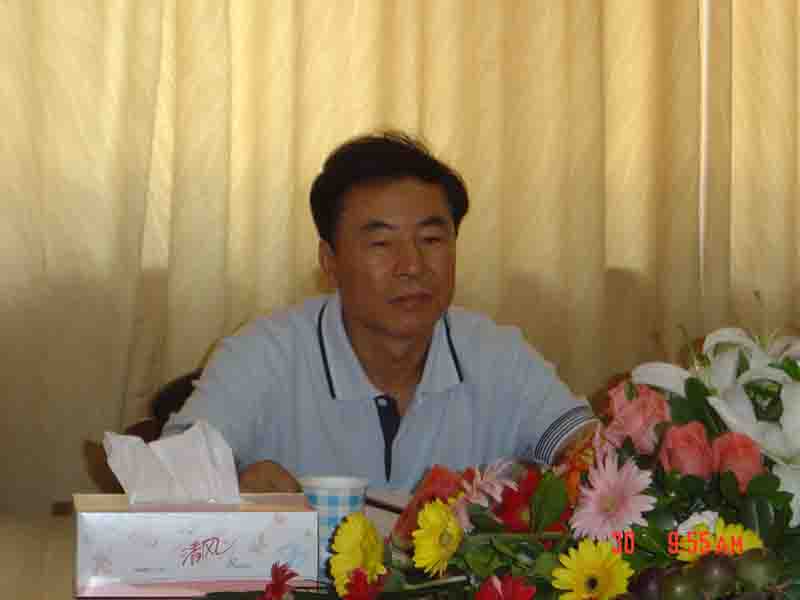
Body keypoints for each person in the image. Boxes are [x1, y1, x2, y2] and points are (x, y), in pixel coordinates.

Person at [162, 132, 597, 492]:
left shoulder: (498, 356)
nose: (412, 266)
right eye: (382, 243)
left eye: (431, 240)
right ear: (330, 261)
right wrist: (234, 487)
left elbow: (597, 461)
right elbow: (165, 480)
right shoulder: (263, 356)